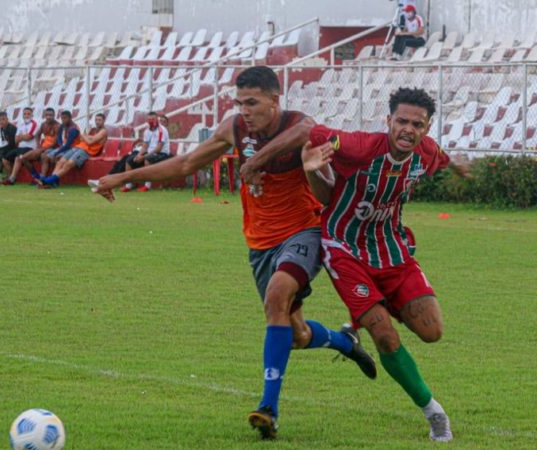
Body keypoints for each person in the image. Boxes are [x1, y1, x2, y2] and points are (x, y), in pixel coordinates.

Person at [93, 66, 377, 440]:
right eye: (239, 102)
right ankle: (344, 341)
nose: (244, 110)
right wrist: (124, 176)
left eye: (252, 102)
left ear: (275, 100)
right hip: (259, 243)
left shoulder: (297, 123)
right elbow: (184, 163)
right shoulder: (234, 128)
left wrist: (254, 161)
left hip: (305, 231)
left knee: (277, 295)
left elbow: (308, 131)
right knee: (296, 333)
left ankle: (268, 409)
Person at [299, 88, 471, 442]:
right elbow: (309, 131)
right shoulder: (359, 146)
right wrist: (311, 166)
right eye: (402, 121)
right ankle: (434, 413)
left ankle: (361, 316)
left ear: (426, 128)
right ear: (388, 121)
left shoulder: (426, 150)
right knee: (386, 337)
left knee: (432, 331)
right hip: (344, 247)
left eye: (417, 124)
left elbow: (441, 155)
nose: (408, 129)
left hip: (391, 248)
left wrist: (458, 166)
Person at [37, 113, 107, 187]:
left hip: (87, 151)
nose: (97, 122)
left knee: (69, 164)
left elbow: (90, 142)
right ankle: (53, 182)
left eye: (99, 120)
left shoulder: (103, 131)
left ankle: (48, 181)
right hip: (79, 147)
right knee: (60, 162)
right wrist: (87, 137)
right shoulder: (93, 130)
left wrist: (85, 136)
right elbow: (82, 139)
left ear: (103, 121)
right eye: (96, 120)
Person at [119, 111, 171, 192]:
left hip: (162, 153)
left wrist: (143, 157)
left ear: (157, 119)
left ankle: (147, 186)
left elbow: (159, 148)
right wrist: (139, 155)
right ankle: (128, 185)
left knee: (147, 160)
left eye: (153, 119)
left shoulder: (162, 130)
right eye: (149, 119)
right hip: (151, 152)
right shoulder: (147, 130)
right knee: (129, 160)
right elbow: (145, 145)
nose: (151, 121)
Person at [12, 107, 60, 182]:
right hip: (42, 148)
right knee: (23, 158)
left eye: (50, 115)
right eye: (47, 115)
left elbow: (56, 142)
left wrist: (42, 149)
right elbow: (37, 135)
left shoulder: (57, 126)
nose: (48, 117)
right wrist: (38, 145)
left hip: (54, 148)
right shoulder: (43, 124)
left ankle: (42, 179)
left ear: (54, 116)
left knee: (43, 156)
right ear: (44, 115)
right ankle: (36, 177)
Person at [39, 110, 87, 184]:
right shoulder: (63, 125)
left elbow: (68, 145)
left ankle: (53, 180)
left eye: (65, 118)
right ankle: (42, 177)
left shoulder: (73, 129)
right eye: (62, 118)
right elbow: (59, 137)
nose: (63, 120)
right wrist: (61, 144)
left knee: (57, 157)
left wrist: (58, 152)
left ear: (70, 118)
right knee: (44, 156)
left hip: (73, 149)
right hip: (64, 148)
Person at [1, 107, 37, 185]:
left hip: (30, 148)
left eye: (28, 114)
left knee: (18, 157)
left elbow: (29, 137)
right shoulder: (21, 125)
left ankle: (12, 179)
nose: (26, 115)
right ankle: (11, 176)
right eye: (25, 114)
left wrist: (21, 137)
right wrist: (23, 137)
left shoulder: (34, 124)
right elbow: (15, 140)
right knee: (4, 159)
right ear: (22, 115)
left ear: (32, 115)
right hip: (20, 147)